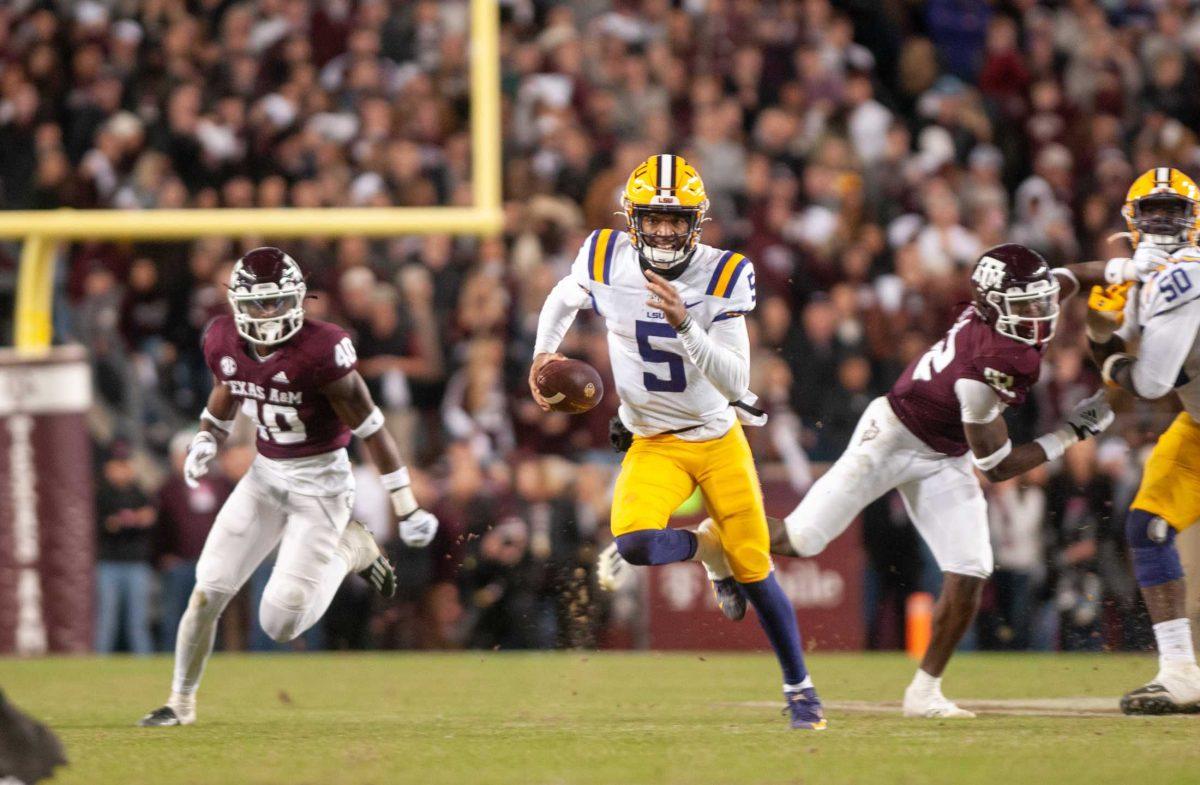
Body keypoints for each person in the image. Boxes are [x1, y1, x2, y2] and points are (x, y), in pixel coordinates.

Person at [660, 245, 1114, 717]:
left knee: (971, 570)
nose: (1040, 316)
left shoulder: (1015, 312)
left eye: (1039, 302)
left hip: (945, 452)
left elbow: (1074, 277)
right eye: (1025, 307)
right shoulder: (988, 363)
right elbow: (996, 465)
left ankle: (924, 692)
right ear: (991, 306)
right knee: (802, 539)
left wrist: (1131, 268)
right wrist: (1072, 432)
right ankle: (718, 536)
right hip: (893, 436)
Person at [529, 155, 825, 730]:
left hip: (716, 438)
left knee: (756, 569)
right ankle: (705, 549)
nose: (664, 230)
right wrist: (543, 353)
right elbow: (564, 296)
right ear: (632, 218)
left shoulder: (723, 274)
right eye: (653, 218)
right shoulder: (603, 256)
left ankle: (801, 689)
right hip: (652, 440)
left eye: (676, 219)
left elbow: (738, 381)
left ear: (698, 221)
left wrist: (687, 324)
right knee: (636, 543)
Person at [139, 247, 439, 726]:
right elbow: (228, 387)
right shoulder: (221, 338)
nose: (269, 313)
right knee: (207, 590)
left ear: (299, 298)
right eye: (259, 303)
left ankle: (351, 550)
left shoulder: (322, 349)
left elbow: (371, 427)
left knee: (279, 623)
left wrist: (405, 506)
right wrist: (206, 437)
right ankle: (180, 702)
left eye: (278, 301)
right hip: (264, 476)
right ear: (236, 304)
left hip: (320, 486)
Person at [1083, 167, 1200, 713]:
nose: (1161, 224)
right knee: (1147, 526)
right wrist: (1100, 326)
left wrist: (1103, 352)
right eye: (1151, 212)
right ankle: (1180, 673)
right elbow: (1112, 347)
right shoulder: (1140, 274)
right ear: (1132, 219)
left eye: (1172, 213)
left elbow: (1149, 383)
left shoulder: (1188, 272)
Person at [94, 441, 157, 655]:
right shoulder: (100, 494)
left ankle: (143, 662)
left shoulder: (140, 493)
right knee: (106, 620)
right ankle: (100, 663)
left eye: (125, 464)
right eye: (117, 464)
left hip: (136, 563)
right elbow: (101, 526)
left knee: (138, 620)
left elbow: (151, 519)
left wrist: (140, 519)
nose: (122, 469)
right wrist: (120, 522)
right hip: (108, 563)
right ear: (108, 468)